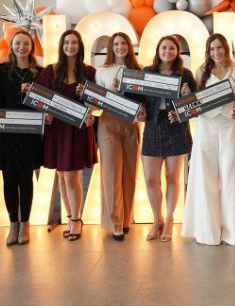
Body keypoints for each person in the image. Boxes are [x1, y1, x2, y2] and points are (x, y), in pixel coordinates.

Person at [181, 33, 235, 246]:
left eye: (220, 48)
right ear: (208, 51)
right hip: (206, 127)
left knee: (233, 177)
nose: (216, 52)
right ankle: (207, 232)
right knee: (205, 178)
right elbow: (196, 102)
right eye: (212, 49)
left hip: (230, 125)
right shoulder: (201, 71)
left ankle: (234, 232)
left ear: (226, 48)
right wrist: (187, 94)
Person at [0, 30, 44, 246]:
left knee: (26, 180)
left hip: (29, 135)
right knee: (9, 180)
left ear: (32, 47)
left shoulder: (40, 73)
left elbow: (46, 104)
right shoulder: (1, 72)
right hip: (6, 133)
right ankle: (13, 224)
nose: (21, 47)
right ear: (12, 46)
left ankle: (25, 224)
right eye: (17, 43)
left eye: (26, 43)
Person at [35, 29, 97, 241]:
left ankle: (76, 220)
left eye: (74, 43)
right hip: (57, 129)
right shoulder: (50, 71)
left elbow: (96, 103)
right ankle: (70, 215)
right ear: (61, 46)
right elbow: (40, 100)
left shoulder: (89, 72)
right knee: (62, 174)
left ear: (80, 46)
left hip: (77, 130)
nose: (70, 46)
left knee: (71, 176)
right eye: (67, 42)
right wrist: (45, 114)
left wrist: (91, 113)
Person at [138, 35, 195, 242]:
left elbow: (193, 105)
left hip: (175, 127)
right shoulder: (147, 72)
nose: (168, 51)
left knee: (173, 177)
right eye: (164, 47)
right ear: (158, 50)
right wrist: (139, 109)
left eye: (172, 48)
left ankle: (170, 220)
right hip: (153, 126)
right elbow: (139, 100)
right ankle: (157, 219)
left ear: (177, 52)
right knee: (151, 179)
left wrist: (186, 95)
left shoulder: (185, 74)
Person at [95, 32, 144, 241]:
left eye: (123, 43)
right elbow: (96, 99)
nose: (120, 47)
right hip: (108, 122)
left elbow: (143, 100)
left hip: (131, 123)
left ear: (129, 47)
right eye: (116, 44)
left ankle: (126, 220)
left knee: (130, 173)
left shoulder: (138, 71)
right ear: (110, 48)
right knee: (112, 173)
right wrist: (113, 90)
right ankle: (115, 222)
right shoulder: (102, 70)